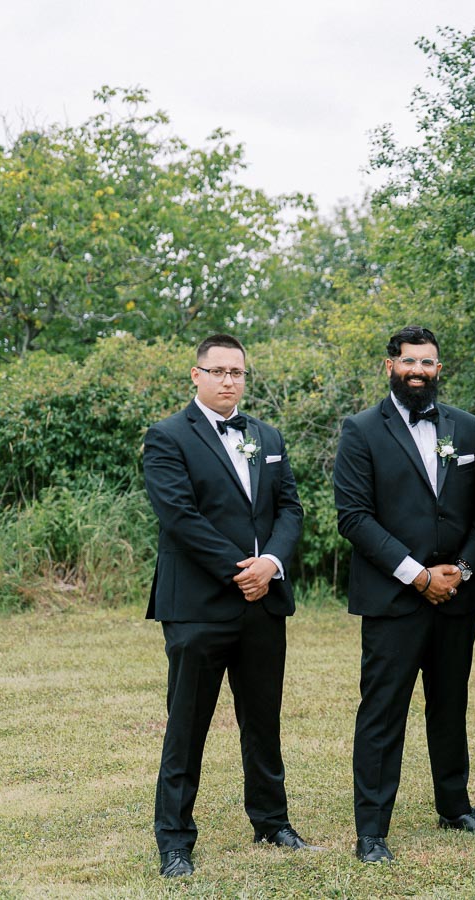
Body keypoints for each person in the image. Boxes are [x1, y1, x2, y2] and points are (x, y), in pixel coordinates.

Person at [142, 333, 319, 879]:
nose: (228, 381)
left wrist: (272, 564)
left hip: (263, 603)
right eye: (217, 371)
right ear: (196, 375)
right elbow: (179, 516)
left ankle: (272, 823)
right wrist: (243, 569)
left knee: (263, 719)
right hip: (198, 605)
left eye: (236, 372)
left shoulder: (267, 436)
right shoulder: (167, 436)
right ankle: (175, 842)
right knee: (187, 724)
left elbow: (290, 508)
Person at [333, 326, 475, 865]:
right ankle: (371, 830)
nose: (418, 371)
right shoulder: (361, 430)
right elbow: (353, 517)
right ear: (390, 366)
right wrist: (416, 575)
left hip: (456, 596)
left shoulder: (467, 428)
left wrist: (462, 571)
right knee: (383, 712)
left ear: (438, 369)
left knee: (451, 704)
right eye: (409, 362)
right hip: (392, 599)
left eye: (427, 363)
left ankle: (455, 807)